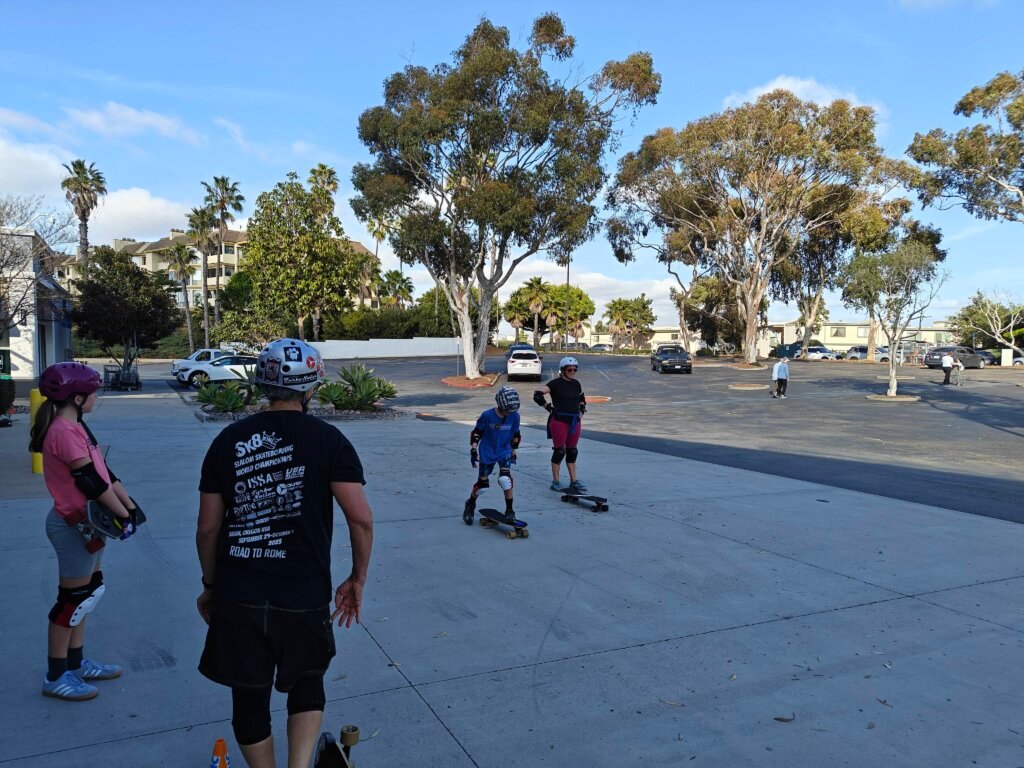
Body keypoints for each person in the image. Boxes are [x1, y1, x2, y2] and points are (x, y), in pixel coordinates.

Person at [196, 338, 374, 768]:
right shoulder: (330, 440)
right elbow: (361, 519)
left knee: (249, 696)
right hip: (303, 591)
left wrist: (211, 586)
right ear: (311, 388)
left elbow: (207, 529)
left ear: (263, 384)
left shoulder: (227, 441)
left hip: (238, 590)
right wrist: (357, 578)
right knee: (307, 682)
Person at [30, 362, 138, 701]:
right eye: (92, 392)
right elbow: (90, 482)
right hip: (72, 526)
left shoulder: (77, 426)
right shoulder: (63, 432)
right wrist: (123, 515)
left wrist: (130, 508)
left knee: (88, 595)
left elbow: (106, 473)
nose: (96, 397)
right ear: (77, 398)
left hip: (90, 523)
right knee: (72, 601)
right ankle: (55, 676)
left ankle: (76, 665)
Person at [464, 386, 522, 521]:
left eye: (512, 410)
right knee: (482, 486)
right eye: (507, 410)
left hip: (504, 450)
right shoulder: (487, 415)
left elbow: (516, 435)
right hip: (487, 451)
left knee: (505, 480)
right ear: (500, 405)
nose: (509, 413)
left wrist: (513, 451)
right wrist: (473, 450)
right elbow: (476, 433)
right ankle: (470, 503)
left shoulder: (515, 416)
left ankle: (509, 510)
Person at [534, 357, 587, 493]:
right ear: (563, 370)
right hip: (559, 421)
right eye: (570, 370)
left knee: (572, 451)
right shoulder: (555, 383)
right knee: (560, 451)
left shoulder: (576, 383)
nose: (573, 372)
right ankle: (556, 481)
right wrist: (548, 408)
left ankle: (574, 481)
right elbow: (537, 395)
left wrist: (581, 410)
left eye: (575, 370)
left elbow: (581, 398)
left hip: (574, 421)